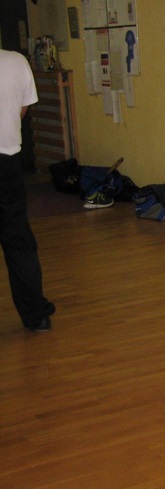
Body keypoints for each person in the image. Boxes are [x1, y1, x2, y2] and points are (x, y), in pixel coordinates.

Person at [0, 49, 56, 332]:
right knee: (18, 241)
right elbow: (21, 110)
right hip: (7, 162)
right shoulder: (16, 62)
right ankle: (36, 316)